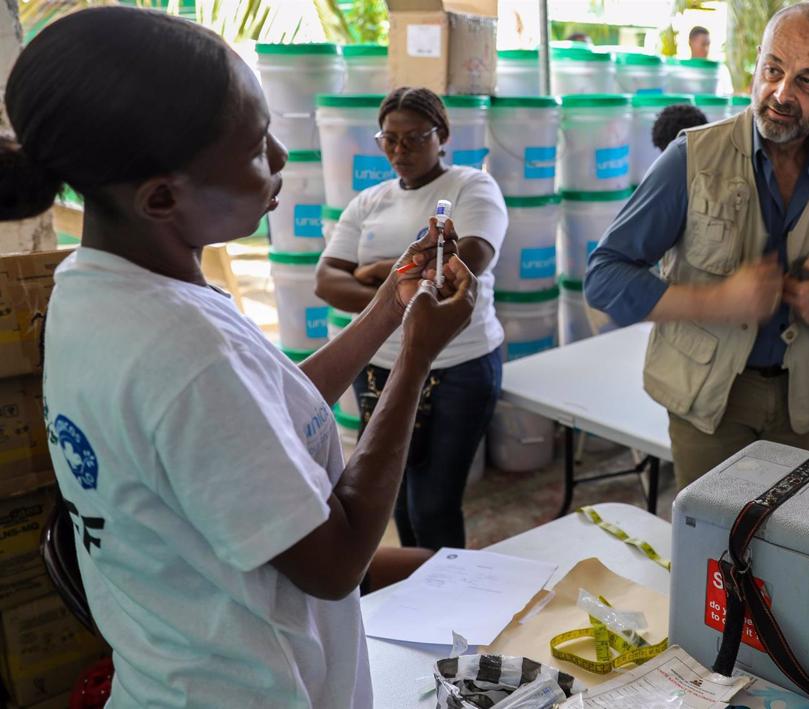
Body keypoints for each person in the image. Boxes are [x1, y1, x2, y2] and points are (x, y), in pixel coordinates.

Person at [0, 7, 477, 707]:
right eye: (257, 149)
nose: (281, 160)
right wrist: (415, 360)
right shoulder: (176, 349)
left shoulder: (98, 284)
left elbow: (267, 412)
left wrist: (387, 310)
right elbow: (336, 562)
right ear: (162, 196)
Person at [585, 0, 809, 490]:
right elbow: (604, 275)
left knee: (792, 552)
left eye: (807, 81)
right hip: (709, 407)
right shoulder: (691, 158)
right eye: (773, 69)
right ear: (757, 61)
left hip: (806, 408)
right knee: (713, 554)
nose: (780, 93)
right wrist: (714, 300)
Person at [315, 88, 507, 552]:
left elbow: (469, 262)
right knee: (392, 495)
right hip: (380, 368)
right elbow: (326, 280)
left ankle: (448, 609)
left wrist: (378, 270)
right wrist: (403, 286)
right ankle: (413, 602)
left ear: (441, 136)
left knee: (434, 504)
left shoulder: (470, 186)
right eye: (390, 139)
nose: (400, 150)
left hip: (458, 366)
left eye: (415, 138)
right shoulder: (368, 201)